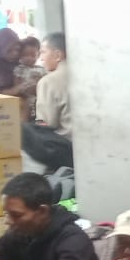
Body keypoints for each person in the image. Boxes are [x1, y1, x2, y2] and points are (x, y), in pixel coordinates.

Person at [23, 32, 73, 173]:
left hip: (67, 150)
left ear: (57, 55)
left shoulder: (48, 81)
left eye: (43, 52)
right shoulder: (88, 75)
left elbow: (46, 124)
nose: (41, 58)